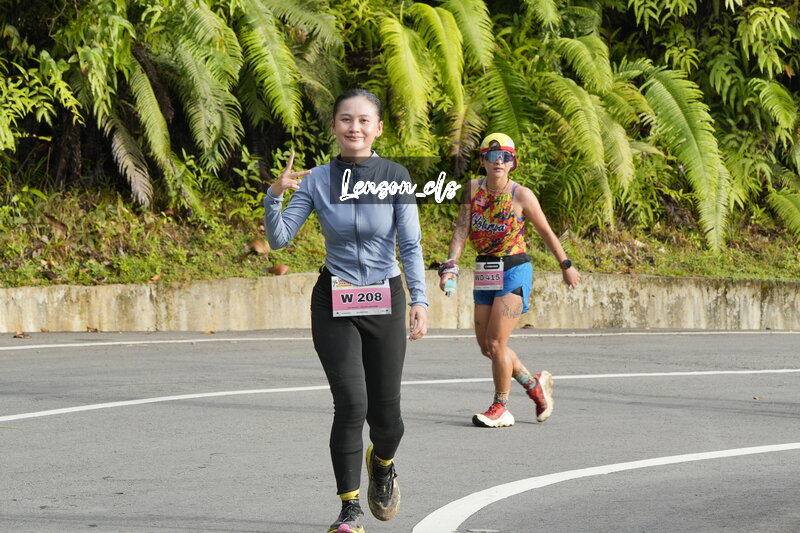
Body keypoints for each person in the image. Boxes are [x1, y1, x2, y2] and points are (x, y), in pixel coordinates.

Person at [263, 88, 428, 533]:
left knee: (387, 420)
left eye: (363, 120)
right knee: (352, 404)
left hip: (385, 297)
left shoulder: (395, 177)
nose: (354, 127)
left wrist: (419, 300)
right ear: (334, 127)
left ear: (378, 128)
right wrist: (274, 195)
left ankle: (383, 463)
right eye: (345, 119)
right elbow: (279, 239)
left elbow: (411, 245)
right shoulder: (317, 180)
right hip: (334, 299)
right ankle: (349, 509)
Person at [438, 132, 580, 428]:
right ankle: (534, 385)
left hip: (515, 269)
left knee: (496, 341)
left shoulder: (521, 195)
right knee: (488, 347)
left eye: (505, 156)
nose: (499, 161)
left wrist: (565, 265)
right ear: (483, 160)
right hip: (485, 271)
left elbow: (546, 231)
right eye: (493, 156)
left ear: (513, 163)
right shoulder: (472, 190)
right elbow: (461, 231)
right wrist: (450, 265)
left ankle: (501, 407)